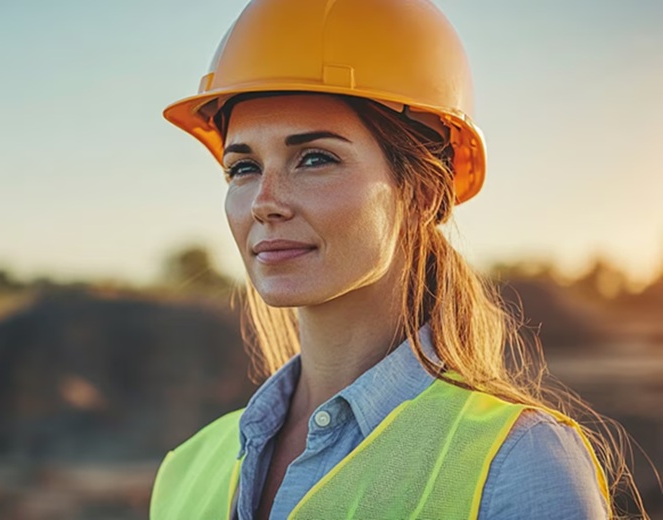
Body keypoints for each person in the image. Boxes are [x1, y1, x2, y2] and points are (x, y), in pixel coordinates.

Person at [150, 0, 647, 518]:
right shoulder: (186, 470)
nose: (264, 202)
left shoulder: (517, 464)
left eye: (315, 158)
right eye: (243, 167)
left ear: (425, 195)